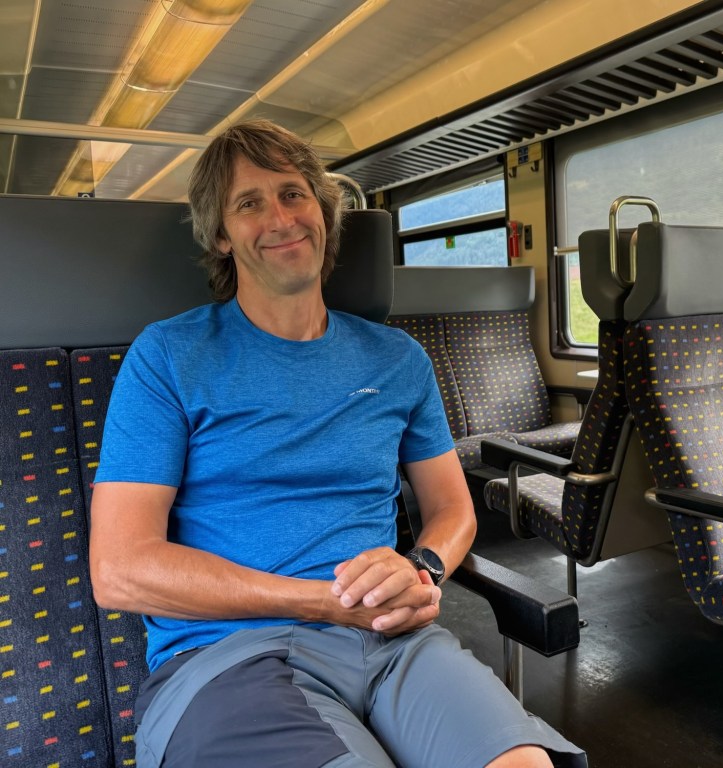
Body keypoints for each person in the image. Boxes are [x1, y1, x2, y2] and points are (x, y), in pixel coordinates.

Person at [89, 118, 586, 768]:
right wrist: (321, 602)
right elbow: (119, 569)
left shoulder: (398, 359)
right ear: (221, 236)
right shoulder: (168, 356)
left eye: (293, 194)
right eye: (249, 203)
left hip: (392, 641)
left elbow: (451, 508)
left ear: (323, 213)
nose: (280, 217)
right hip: (231, 656)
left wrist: (423, 568)